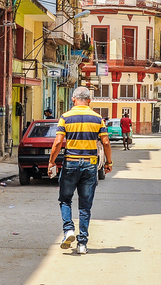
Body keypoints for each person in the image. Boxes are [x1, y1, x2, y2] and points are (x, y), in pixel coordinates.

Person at [48, 87, 113, 255]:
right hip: (90, 165)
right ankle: (82, 243)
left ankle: (68, 230)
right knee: (85, 206)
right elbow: (105, 143)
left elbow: (57, 143)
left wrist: (51, 162)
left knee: (65, 200)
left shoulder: (66, 117)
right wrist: (109, 162)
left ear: (73, 99)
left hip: (70, 163)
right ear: (89, 100)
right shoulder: (98, 118)